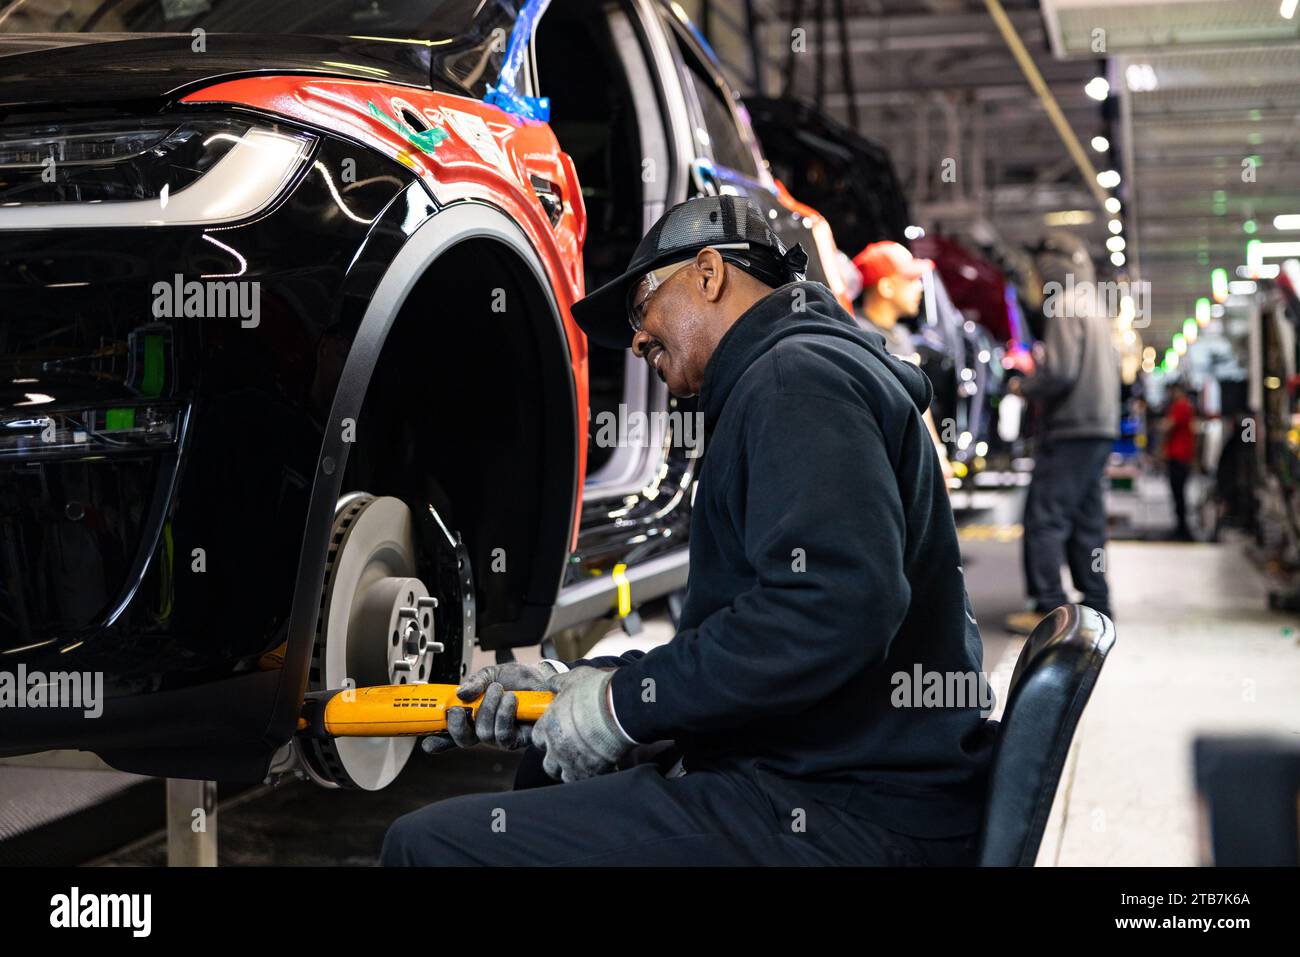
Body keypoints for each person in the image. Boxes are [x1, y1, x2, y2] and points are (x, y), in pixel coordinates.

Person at [381, 196, 993, 866]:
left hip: (850, 810)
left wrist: (618, 708)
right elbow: (753, 628)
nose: (637, 339)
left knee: (424, 846)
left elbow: (832, 608)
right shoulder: (794, 372)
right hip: (836, 771)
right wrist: (576, 681)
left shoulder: (795, 381)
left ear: (709, 273)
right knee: (547, 768)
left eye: (641, 307)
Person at [1005, 232, 1120, 635]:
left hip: (1071, 428)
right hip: (1098, 427)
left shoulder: (1065, 304)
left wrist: (1023, 385)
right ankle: (1097, 603)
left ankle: (1048, 610)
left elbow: (1059, 371)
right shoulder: (1094, 305)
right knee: (1087, 521)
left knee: (1044, 519)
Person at [853, 241, 953, 483]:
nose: (919, 288)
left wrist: (937, 452)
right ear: (886, 286)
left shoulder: (902, 336)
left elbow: (919, 401)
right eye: (910, 280)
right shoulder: (856, 333)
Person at [1160, 383, 1197, 540]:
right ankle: (1181, 527)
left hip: (1179, 457)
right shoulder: (1185, 406)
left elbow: (1168, 426)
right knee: (1178, 493)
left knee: (1178, 493)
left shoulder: (1181, 406)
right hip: (1181, 456)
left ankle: (1182, 529)